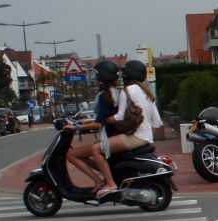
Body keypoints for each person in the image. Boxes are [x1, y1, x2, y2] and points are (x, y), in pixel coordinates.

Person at [88, 59, 163, 197]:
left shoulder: (127, 91)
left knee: (95, 149)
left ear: (127, 75)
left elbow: (119, 118)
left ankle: (110, 184)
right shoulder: (147, 92)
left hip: (135, 137)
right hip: (145, 138)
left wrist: (101, 119)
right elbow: (157, 122)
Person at [67, 61, 120, 188]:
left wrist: (77, 127)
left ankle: (98, 181)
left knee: (72, 155)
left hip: (109, 137)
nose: (96, 80)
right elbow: (105, 118)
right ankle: (109, 175)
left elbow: (99, 124)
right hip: (116, 135)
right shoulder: (117, 93)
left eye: (97, 77)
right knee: (83, 154)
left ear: (102, 79)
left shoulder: (105, 96)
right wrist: (83, 122)